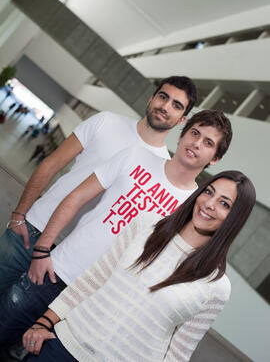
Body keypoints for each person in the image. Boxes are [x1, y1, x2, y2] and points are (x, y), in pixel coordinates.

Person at [0, 109, 232, 350]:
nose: (196, 143)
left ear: (214, 158)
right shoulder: (135, 155)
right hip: (55, 272)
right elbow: (77, 197)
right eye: (194, 133)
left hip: (90, 305)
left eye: (208, 142)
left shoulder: (192, 207)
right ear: (182, 134)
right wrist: (42, 249)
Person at [21, 170, 256, 362]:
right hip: (61, 347)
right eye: (208, 192)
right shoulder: (146, 224)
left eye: (224, 203)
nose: (209, 204)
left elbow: (177, 354)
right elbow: (93, 279)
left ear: (234, 218)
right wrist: (44, 322)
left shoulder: (216, 286)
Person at [0, 75, 197, 293]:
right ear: (151, 98)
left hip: (67, 261)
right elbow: (50, 165)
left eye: (176, 105)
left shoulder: (161, 167)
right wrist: (19, 215)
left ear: (182, 120)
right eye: (163, 97)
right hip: (34, 227)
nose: (165, 106)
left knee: (12, 323)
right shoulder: (106, 121)